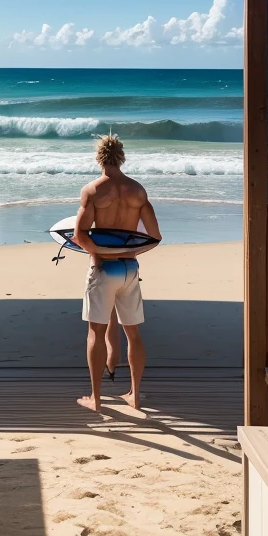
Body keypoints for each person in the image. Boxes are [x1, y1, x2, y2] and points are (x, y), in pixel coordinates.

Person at [73, 133, 161, 413]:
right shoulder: (138, 191)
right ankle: (135, 395)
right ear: (121, 156)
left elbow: (79, 235)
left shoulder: (93, 190)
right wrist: (129, 254)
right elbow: (154, 237)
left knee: (95, 334)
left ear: (99, 158)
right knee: (133, 334)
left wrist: (101, 254)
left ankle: (96, 399)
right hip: (129, 269)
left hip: (103, 270)